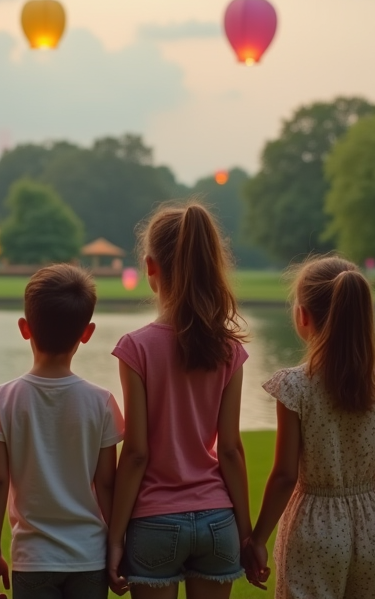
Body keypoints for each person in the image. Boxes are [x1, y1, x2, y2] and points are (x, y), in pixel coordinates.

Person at [108, 202, 251, 599]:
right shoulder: (229, 350)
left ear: (150, 267)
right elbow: (231, 450)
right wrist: (246, 533)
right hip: (218, 521)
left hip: (154, 522)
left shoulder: (136, 348)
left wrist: (115, 537)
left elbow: (136, 453)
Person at [244, 256, 375, 599]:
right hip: (374, 524)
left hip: (313, 528)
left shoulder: (295, 386)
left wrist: (257, 539)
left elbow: (285, 475)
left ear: (303, 316)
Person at [0, 264, 124, 599]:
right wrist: (119, 544)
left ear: (25, 328)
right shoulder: (102, 402)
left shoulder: (3, 399)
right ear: (87, 333)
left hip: (33, 559)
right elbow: (106, 484)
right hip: (89, 557)